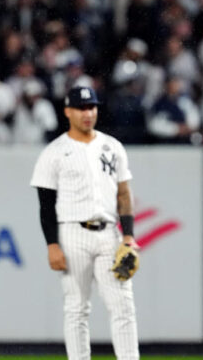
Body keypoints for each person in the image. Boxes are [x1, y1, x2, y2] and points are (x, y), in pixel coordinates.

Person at [30, 86, 139, 360]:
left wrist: (128, 236)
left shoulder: (112, 146)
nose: (87, 113)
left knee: (123, 305)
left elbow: (124, 194)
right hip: (71, 233)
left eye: (91, 107)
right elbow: (45, 205)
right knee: (77, 308)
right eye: (81, 108)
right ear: (68, 112)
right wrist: (52, 244)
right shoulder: (54, 152)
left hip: (109, 234)